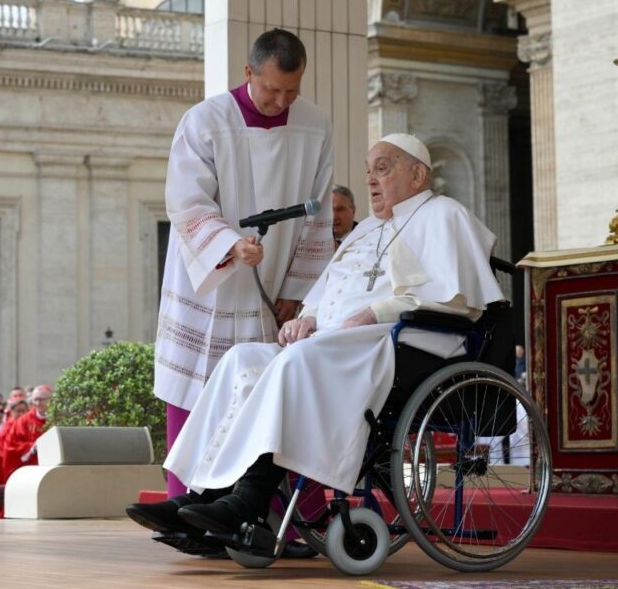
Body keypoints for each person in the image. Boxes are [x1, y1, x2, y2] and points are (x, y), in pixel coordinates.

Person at [129, 133, 505, 551]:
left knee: (296, 363)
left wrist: (376, 312)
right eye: (368, 171)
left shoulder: (444, 215)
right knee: (242, 360)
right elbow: (327, 289)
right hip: (334, 345)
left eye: (383, 168)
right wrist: (306, 317)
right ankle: (200, 495)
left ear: (418, 175)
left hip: (401, 344)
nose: (371, 180)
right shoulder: (365, 232)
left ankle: (248, 500)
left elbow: (454, 300)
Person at [155, 28, 335, 498]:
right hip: (210, 283)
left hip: (274, 288)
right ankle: (190, 506)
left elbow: (319, 213)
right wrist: (230, 245)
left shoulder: (314, 125)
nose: (280, 101)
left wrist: (297, 291)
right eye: (272, 89)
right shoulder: (205, 120)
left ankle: (262, 512)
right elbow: (186, 201)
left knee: (268, 397)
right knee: (201, 390)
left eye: (291, 90)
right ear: (248, 72)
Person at [0, 385, 52, 481]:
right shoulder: (23, 421)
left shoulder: (59, 419)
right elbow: (11, 446)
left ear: (51, 400)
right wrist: (32, 447)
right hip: (30, 471)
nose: (38, 403)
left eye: (42, 400)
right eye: (35, 400)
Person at [332, 184, 358, 250]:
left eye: (340, 209)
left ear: (353, 211)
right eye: (329, 211)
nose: (334, 217)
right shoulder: (315, 239)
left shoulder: (365, 237)